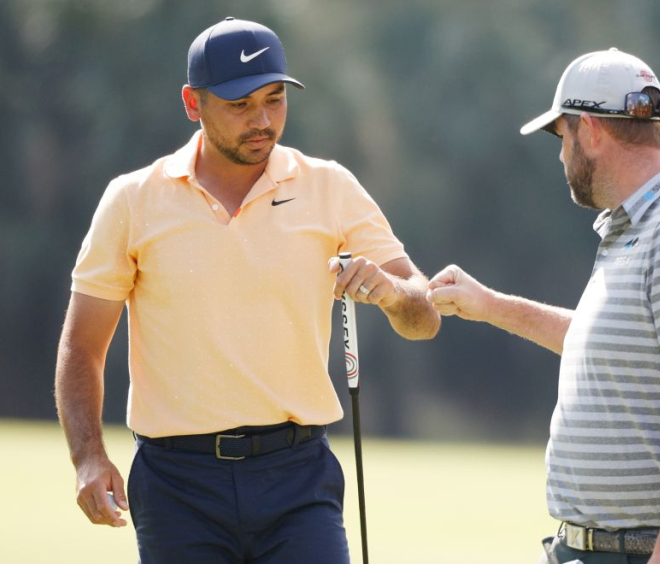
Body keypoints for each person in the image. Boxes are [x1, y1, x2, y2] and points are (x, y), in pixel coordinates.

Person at [54, 17, 439, 563]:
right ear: (194, 103)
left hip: (298, 479)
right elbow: (82, 348)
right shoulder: (132, 200)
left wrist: (395, 295)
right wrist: (88, 457)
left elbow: (423, 315)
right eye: (240, 104)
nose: (262, 120)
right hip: (176, 484)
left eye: (275, 99)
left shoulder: (330, 187)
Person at [427, 48, 660, 564]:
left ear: (591, 130)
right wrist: (490, 305)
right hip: (591, 549)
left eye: (563, 136)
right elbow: (611, 345)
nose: (560, 155)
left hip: (650, 554)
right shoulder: (632, 231)